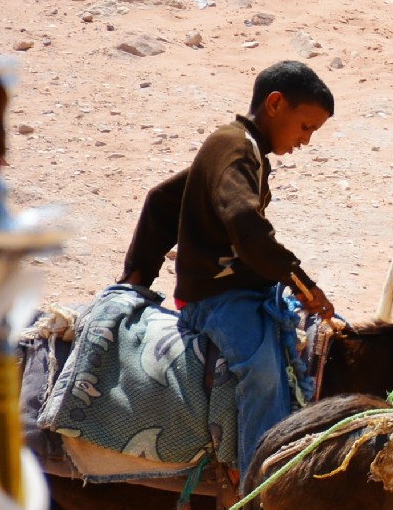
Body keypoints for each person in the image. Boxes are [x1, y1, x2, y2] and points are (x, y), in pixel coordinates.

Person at [120, 61, 338, 470]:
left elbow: (163, 201)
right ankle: (260, 488)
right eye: (305, 126)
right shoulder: (235, 147)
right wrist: (300, 282)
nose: (305, 141)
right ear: (275, 104)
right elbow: (244, 224)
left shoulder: (241, 148)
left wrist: (137, 273)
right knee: (263, 373)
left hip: (242, 290)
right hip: (216, 298)